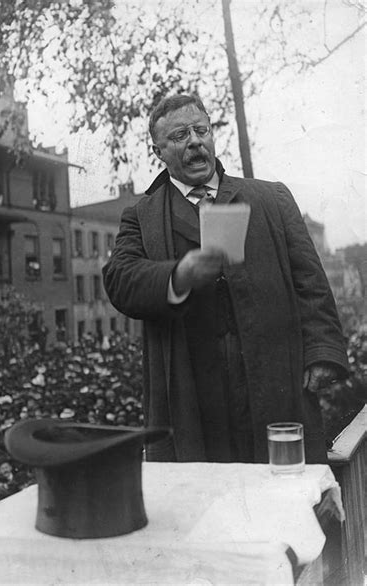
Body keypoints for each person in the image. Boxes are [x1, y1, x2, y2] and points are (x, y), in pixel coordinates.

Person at [102, 94, 348, 464]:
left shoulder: (270, 199)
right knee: (205, 503)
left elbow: (310, 283)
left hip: (274, 380)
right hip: (193, 397)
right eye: (180, 135)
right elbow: (119, 280)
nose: (195, 142)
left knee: (285, 497)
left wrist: (322, 353)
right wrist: (178, 274)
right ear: (159, 151)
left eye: (201, 130)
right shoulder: (141, 216)